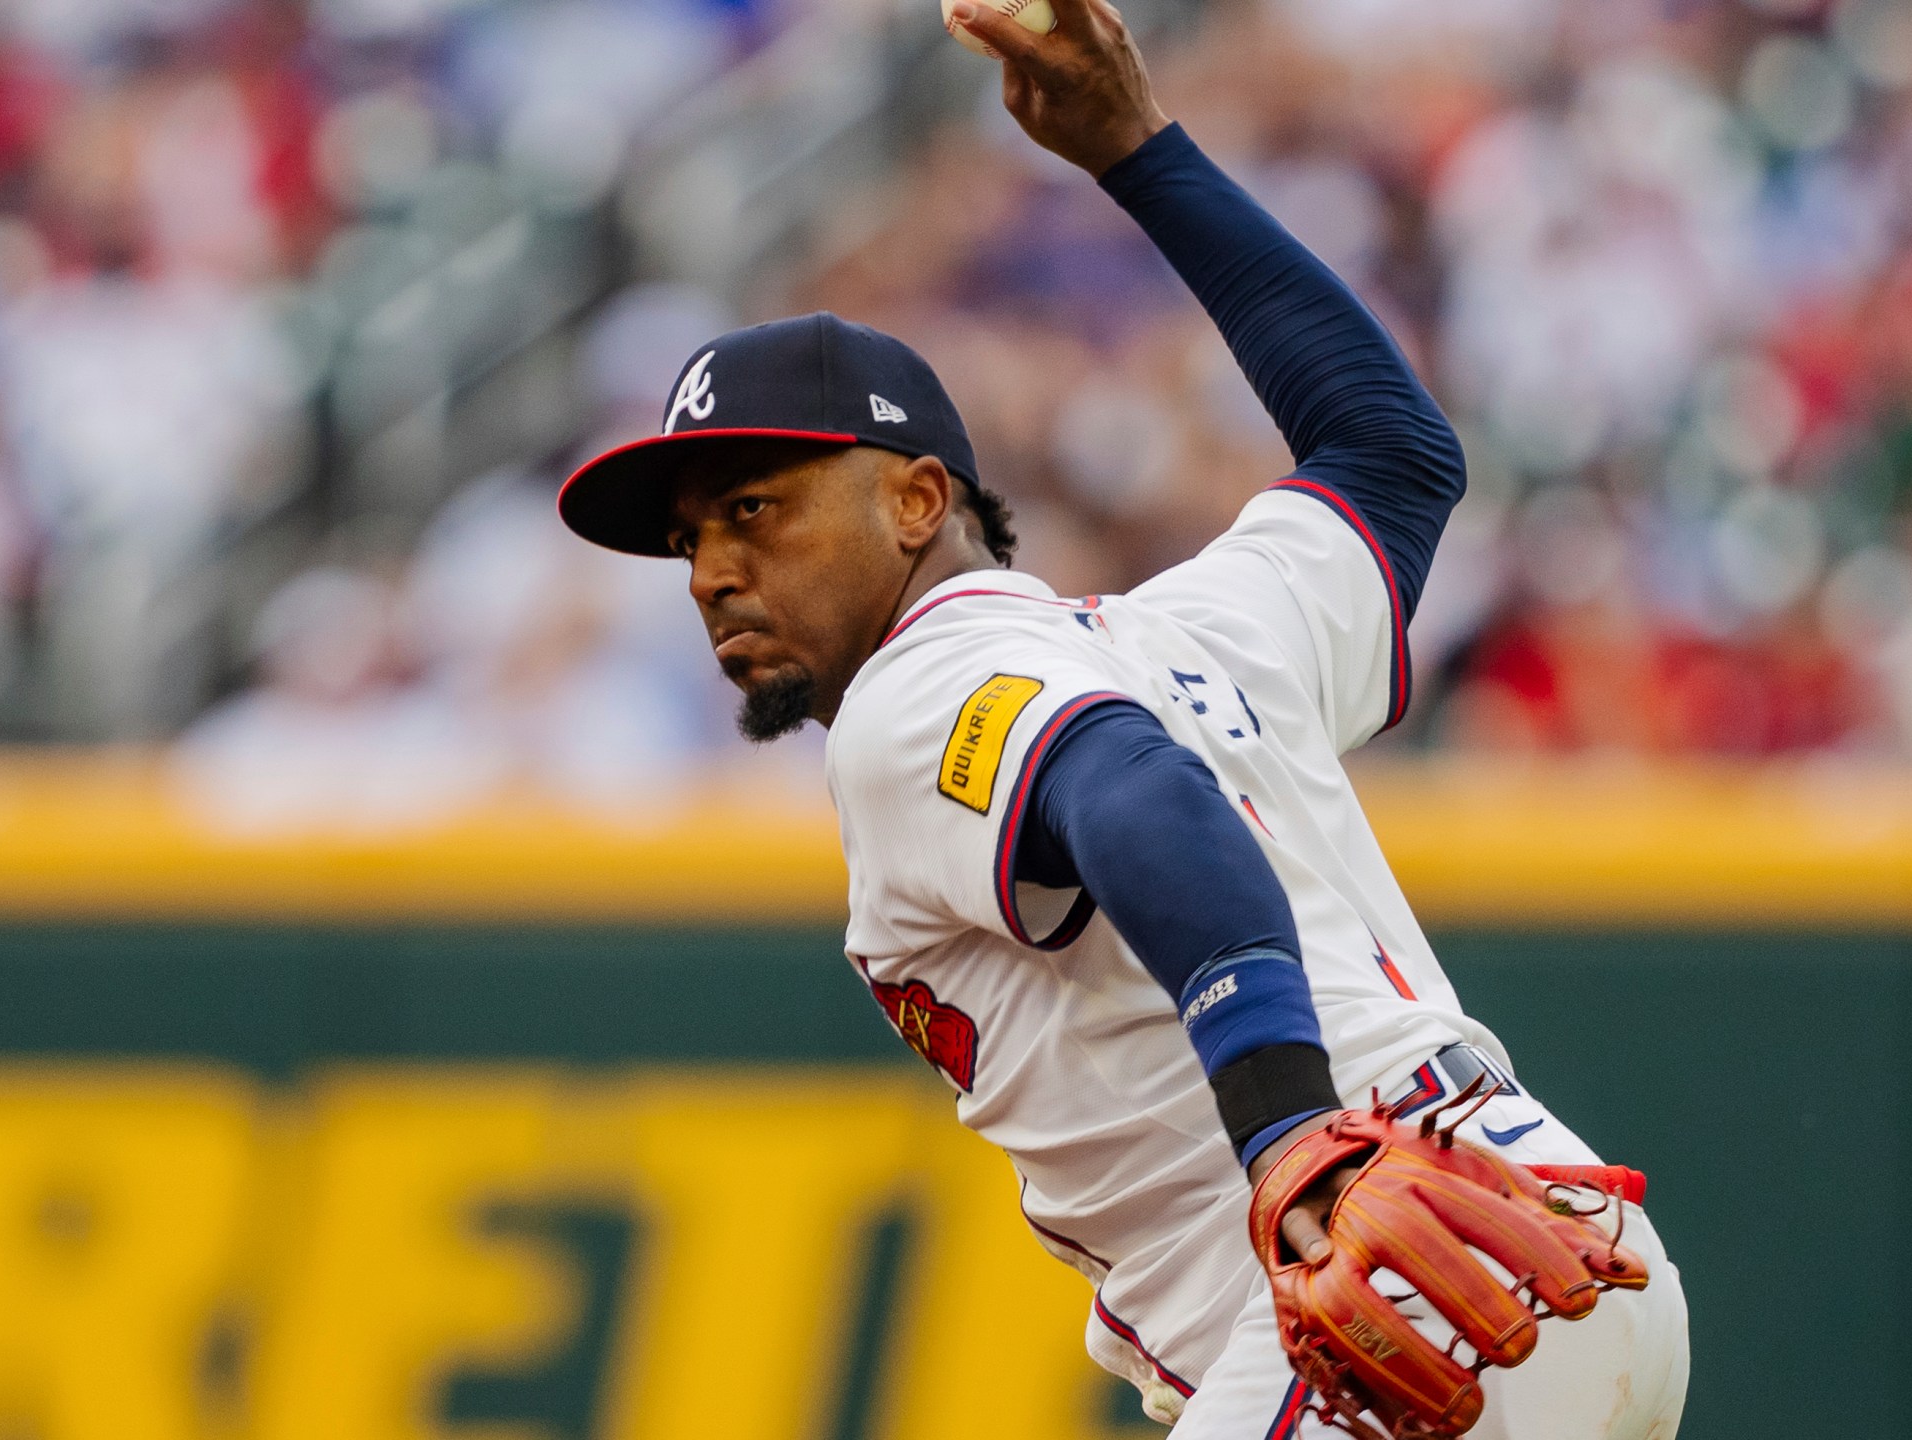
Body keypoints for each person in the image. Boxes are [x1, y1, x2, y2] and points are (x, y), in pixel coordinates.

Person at [555, 1, 1690, 1433]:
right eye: (692, 538)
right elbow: (1390, 454)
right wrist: (1143, 156)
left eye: (758, 510)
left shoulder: (927, 682)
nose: (714, 568)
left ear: (919, 502)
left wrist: (1290, 1133)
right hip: (1562, 1248)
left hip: (1388, 1287)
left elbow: (1136, 791)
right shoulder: (1204, 629)